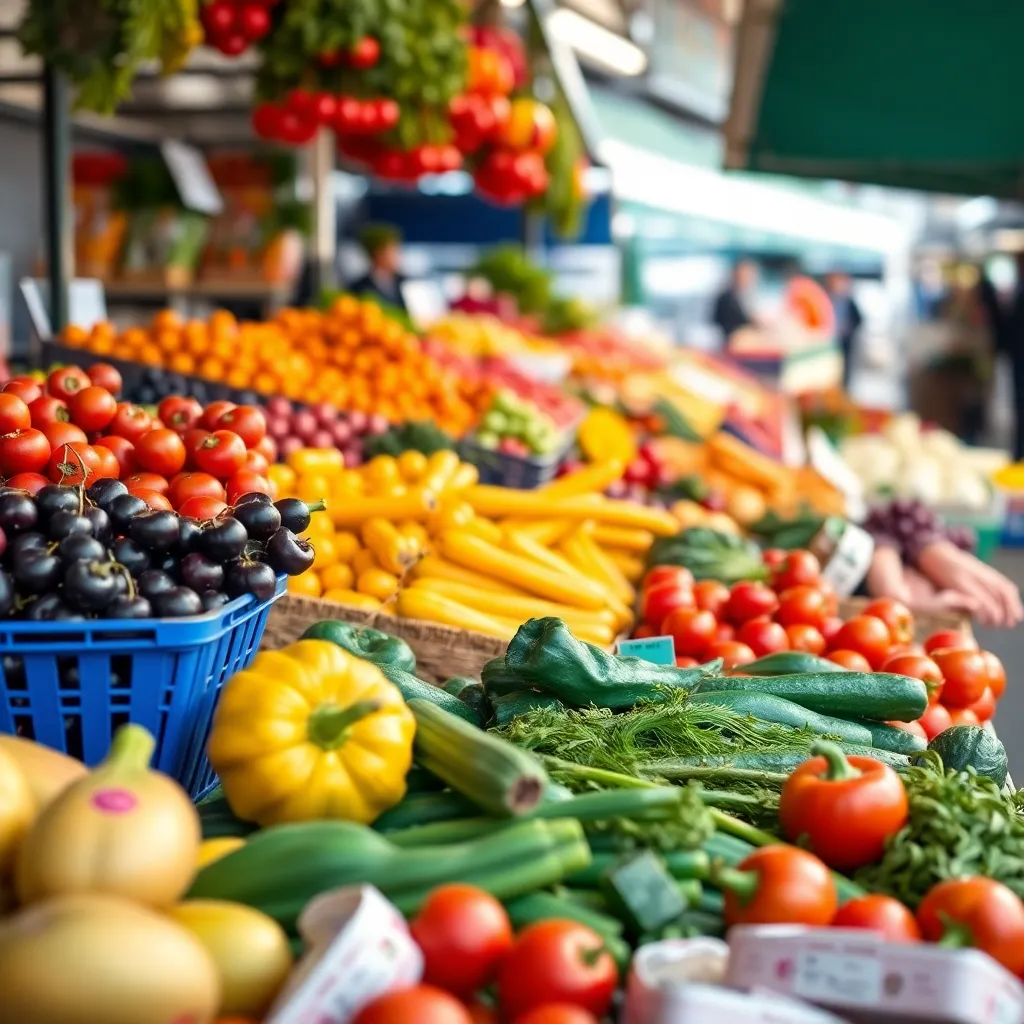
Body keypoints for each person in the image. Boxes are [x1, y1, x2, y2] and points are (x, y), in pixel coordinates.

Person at [349, 224, 407, 311]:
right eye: (392, 251)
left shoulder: (405, 282)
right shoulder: (359, 288)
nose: (398, 256)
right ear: (378, 254)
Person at [826, 271, 863, 390]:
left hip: (846, 343)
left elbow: (859, 319)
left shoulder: (849, 301)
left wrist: (848, 328)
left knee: (845, 371)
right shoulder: (828, 299)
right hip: (831, 343)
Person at [711, 259, 758, 344]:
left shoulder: (747, 296)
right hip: (734, 341)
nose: (748, 278)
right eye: (745, 274)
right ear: (735, 274)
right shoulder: (726, 298)